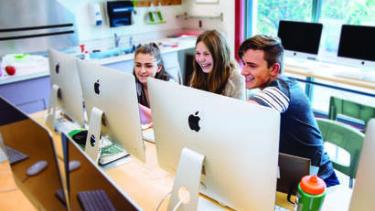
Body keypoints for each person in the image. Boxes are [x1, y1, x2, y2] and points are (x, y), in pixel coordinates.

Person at [238, 35, 339, 187]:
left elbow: (244, 115)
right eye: (244, 64)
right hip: (293, 174)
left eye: (252, 66)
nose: (243, 71)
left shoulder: (281, 90)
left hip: (318, 182)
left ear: (274, 69)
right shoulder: (282, 85)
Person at [189, 30, 245, 100]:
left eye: (206, 54)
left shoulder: (236, 78)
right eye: (198, 53)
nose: (200, 59)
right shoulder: (200, 69)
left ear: (219, 55)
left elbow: (238, 109)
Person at [133, 43, 173, 125]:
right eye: (138, 65)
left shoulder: (170, 87)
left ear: (158, 68)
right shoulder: (133, 84)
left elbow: (169, 120)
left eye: (148, 66)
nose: (142, 71)